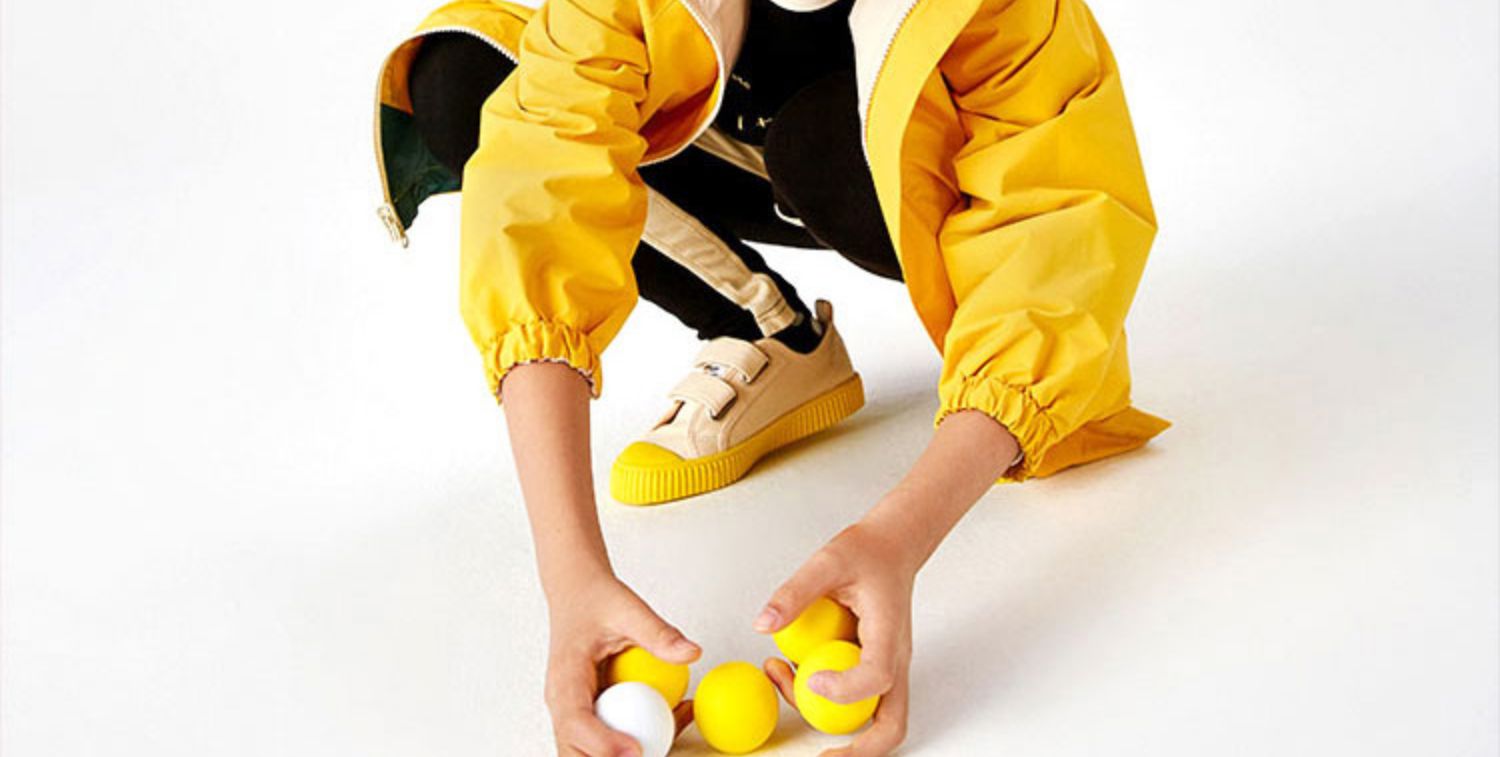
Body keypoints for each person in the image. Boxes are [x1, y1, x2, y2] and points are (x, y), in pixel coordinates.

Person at [371, 0, 1170, 752]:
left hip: (890, 173)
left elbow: (1056, 228)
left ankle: (855, 222)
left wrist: (898, 537)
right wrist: (570, 574)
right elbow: (541, 177)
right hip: (735, 140)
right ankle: (769, 333)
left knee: (817, 145)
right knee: (469, 82)